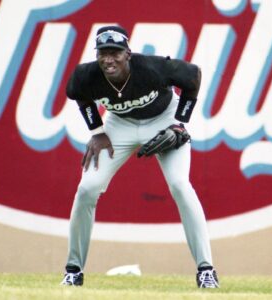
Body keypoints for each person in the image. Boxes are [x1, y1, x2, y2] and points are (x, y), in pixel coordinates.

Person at [61, 25, 219, 288]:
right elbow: (80, 96)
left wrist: (180, 123)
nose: (108, 59)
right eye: (103, 53)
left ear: (128, 54)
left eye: (115, 52)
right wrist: (97, 131)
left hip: (163, 118)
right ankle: (73, 270)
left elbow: (193, 77)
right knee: (87, 188)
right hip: (118, 124)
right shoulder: (85, 75)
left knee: (180, 185)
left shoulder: (151, 68)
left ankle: (206, 270)